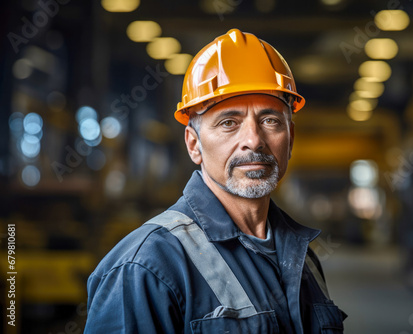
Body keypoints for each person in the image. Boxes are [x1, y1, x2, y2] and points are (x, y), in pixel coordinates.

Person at [84, 28, 346, 333]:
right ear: (194, 144)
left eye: (270, 120)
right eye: (229, 122)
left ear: (290, 140)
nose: (253, 140)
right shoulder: (145, 267)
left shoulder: (303, 259)